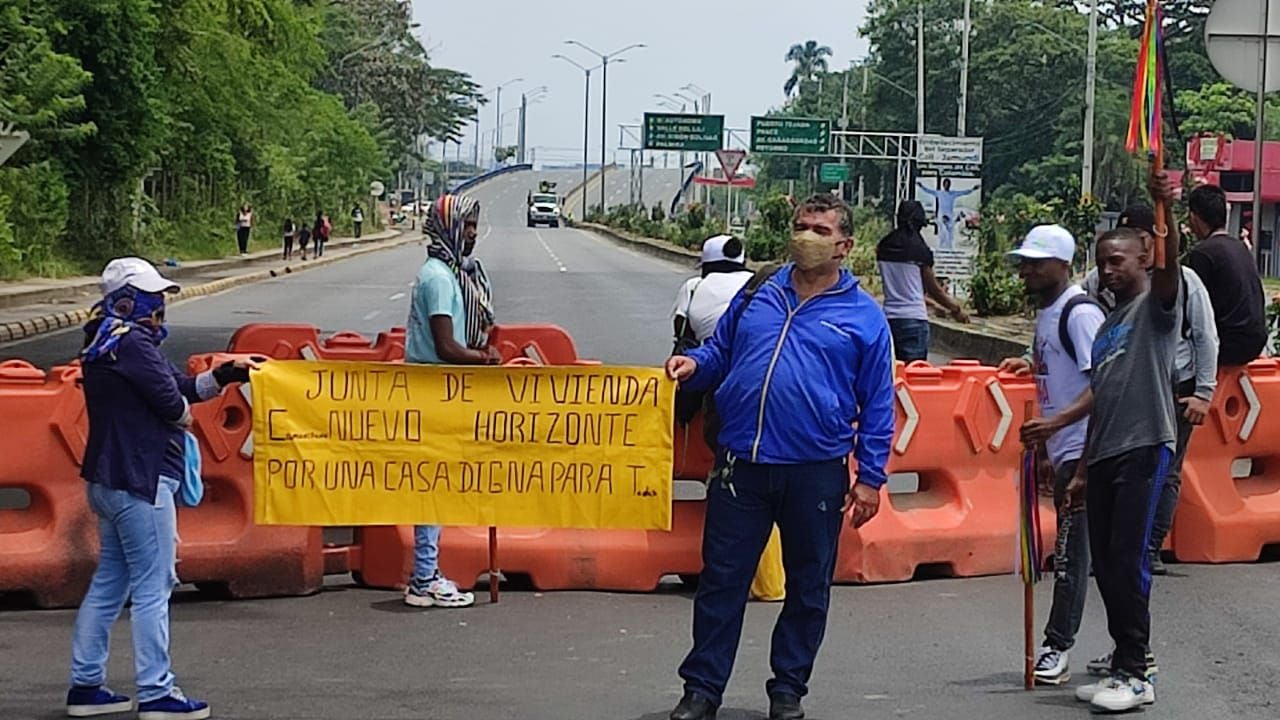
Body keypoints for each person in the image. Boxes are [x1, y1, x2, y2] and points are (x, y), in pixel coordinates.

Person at [664, 193, 896, 720]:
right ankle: (701, 690)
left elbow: (879, 403)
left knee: (808, 586)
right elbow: (718, 351)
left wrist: (870, 479)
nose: (806, 237)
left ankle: (788, 689)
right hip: (740, 465)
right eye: (800, 226)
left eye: (819, 229)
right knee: (721, 581)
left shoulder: (864, 318)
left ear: (844, 245)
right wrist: (692, 365)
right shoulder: (757, 295)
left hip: (815, 473)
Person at [69, 257, 258, 720]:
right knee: (154, 587)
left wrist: (229, 373)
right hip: (141, 479)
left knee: (110, 584)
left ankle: (86, 685)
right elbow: (175, 405)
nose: (158, 310)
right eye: (151, 299)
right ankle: (157, 691)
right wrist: (186, 415)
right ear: (126, 300)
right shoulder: (132, 343)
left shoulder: (105, 339)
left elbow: (184, 386)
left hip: (108, 480)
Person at [1067, 170, 1181, 713]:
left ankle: (1137, 674)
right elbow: (1101, 399)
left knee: (1129, 560)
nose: (1108, 270)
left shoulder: (1157, 308)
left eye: (1119, 261)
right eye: (1102, 261)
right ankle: (1125, 661)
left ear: (1143, 261)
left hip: (1145, 447)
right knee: (1108, 566)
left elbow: (1170, 272)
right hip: (1107, 453)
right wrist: (1083, 472)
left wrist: (1166, 213)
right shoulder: (1107, 327)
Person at [1081, 204, 1219, 582]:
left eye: (1144, 237)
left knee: (1165, 471)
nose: (1112, 267)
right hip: (1122, 389)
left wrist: (1204, 393)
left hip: (1174, 388)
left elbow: (1206, 337)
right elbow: (1072, 308)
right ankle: (1112, 552)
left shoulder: (1181, 282)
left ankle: (1149, 547)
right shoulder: (1101, 279)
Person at [997, 225, 1106, 686]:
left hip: (1087, 450)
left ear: (1061, 266)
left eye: (1034, 264)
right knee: (1087, 554)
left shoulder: (1079, 314)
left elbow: (1104, 385)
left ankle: (1057, 646)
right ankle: (1131, 648)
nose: (1025, 272)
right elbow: (1056, 378)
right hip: (1062, 450)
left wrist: (1059, 433)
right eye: (1023, 262)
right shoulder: (1049, 314)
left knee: (1070, 555)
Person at [670, 234, 784, 604]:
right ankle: (771, 578)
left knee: (733, 486)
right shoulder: (760, 289)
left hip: (724, 397)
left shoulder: (694, 287)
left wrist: (681, 410)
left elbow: (684, 343)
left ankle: (747, 578)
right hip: (770, 397)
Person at [403, 193, 499, 608]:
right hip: (433, 394)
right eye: (468, 226)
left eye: (476, 226)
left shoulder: (447, 272)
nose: (474, 235)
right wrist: (484, 359)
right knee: (432, 489)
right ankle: (424, 578)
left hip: (440, 393)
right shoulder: (440, 280)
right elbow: (446, 346)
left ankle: (426, 574)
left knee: (434, 487)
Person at [877, 199, 969, 362]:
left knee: (893, 374)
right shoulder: (919, 249)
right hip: (914, 321)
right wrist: (956, 309)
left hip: (889, 319)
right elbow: (934, 289)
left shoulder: (884, 246)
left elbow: (904, 288)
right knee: (915, 376)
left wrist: (934, 305)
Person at [1185, 184, 1267, 366]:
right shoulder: (1240, 247)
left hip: (1229, 345)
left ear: (1194, 217)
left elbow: (1196, 310)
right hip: (1255, 340)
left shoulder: (1203, 253)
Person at [916, 178, 978, 249]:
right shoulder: (939, 193)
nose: (947, 186)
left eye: (948, 184)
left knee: (950, 231)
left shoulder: (953, 193)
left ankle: (949, 247)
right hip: (941, 214)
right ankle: (941, 246)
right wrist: (921, 186)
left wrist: (972, 189)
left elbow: (963, 192)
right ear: (943, 185)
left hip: (949, 214)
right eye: (945, 184)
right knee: (942, 231)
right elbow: (928, 191)